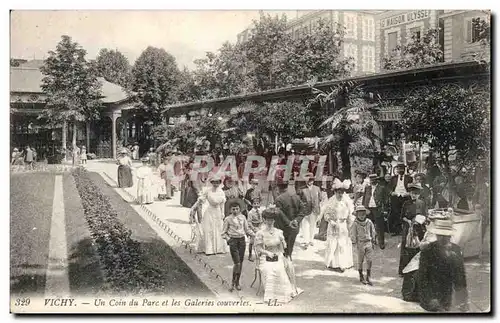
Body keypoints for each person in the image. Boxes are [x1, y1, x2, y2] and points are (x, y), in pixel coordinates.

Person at [419, 219, 469, 312]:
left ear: (450, 235)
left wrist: (463, 300)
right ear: (436, 235)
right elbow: (422, 278)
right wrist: (430, 299)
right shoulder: (427, 251)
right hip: (431, 297)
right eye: (440, 235)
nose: (442, 238)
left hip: (447, 296)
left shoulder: (456, 250)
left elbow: (460, 277)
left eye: (445, 235)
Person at [254, 207, 300, 304]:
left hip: (277, 255)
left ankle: (280, 294)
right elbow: (258, 249)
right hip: (265, 257)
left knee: (279, 269)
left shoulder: (279, 232)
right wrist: (267, 253)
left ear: (274, 220)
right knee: (269, 269)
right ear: (264, 220)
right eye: (268, 219)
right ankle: (271, 295)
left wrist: (282, 244)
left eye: (272, 219)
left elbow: (282, 249)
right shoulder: (260, 233)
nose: (270, 222)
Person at [190, 175, 228, 255]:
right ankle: (209, 249)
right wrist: (194, 207)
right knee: (208, 229)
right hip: (210, 211)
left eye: (217, 182)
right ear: (212, 183)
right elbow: (201, 200)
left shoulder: (221, 192)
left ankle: (219, 249)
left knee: (218, 229)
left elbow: (222, 204)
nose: (216, 184)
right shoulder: (208, 191)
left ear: (219, 183)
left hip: (217, 211)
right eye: (214, 182)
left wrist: (223, 212)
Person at [222, 202, 255, 292]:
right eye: (233, 209)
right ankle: (232, 283)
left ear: (240, 209)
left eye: (237, 209)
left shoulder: (243, 218)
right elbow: (223, 233)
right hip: (233, 241)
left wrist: (254, 235)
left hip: (242, 241)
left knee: (240, 263)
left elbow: (246, 229)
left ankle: (237, 282)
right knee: (237, 263)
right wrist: (229, 240)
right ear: (230, 210)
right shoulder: (228, 219)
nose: (235, 210)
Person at [323, 178, 355, 272]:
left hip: (343, 225)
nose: (340, 194)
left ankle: (344, 263)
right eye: (338, 192)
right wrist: (330, 221)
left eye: (342, 192)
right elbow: (326, 214)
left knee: (343, 243)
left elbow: (350, 214)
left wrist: (351, 225)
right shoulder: (331, 201)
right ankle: (334, 263)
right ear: (335, 192)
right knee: (334, 243)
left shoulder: (346, 201)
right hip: (333, 225)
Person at [398, 183, 427, 276]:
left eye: (415, 193)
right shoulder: (406, 203)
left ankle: (417, 270)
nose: (413, 195)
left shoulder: (422, 203)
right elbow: (402, 217)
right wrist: (408, 221)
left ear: (419, 194)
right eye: (411, 193)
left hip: (418, 229)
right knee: (406, 248)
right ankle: (403, 270)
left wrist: (420, 220)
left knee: (418, 248)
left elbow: (425, 216)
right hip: (408, 229)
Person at [274, 179, 305, 259]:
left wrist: (288, 222)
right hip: (294, 228)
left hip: (283, 228)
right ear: (287, 187)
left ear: (278, 187)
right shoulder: (296, 197)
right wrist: (296, 220)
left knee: (282, 250)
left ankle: (285, 266)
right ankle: (289, 262)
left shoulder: (278, 199)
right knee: (290, 248)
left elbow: (279, 214)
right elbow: (303, 210)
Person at [351, 205, 376, 285]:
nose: (362, 216)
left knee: (369, 260)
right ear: (357, 215)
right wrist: (354, 242)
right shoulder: (355, 223)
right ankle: (361, 275)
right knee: (360, 260)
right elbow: (353, 234)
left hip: (368, 242)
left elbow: (373, 231)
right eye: (360, 214)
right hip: (360, 243)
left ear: (365, 214)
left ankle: (368, 275)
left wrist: (374, 240)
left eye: (363, 214)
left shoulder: (369, 222)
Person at [363, 174, 387, 249]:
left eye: (374, 179)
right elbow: (364, 198)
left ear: (377, 180)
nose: (372, 181)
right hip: (368, 209)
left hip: (378, 209)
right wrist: (364, 207)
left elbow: (385, 200)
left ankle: (381, 243)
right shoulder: (367, 188)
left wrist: (385, 210)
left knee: (380, 227)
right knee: (368, 226)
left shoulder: (381, 188)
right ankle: (370, 242)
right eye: (371, 179)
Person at [298, 173, 322, 249]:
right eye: (308, 180)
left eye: (311, 180)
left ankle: (311, 240)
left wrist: (316, 205)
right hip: (305, 210)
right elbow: (298, 200)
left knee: (313, 225)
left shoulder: (317, 188)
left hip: (314, 209)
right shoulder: (302, 189)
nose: (310, 181)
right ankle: (306, 241)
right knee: (305, 225)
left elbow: (320, 198)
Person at [389, 162, 413, 235]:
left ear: (404, 169)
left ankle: (406, 230)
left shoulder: (409, 178)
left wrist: (409, 193)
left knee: (406, 213)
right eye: (399, 168)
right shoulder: (394, 178)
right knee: (396, 213)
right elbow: (389, 188)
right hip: (396, 197)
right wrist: (391, 192)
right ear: (397, 170)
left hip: (405, 197)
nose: (400, 170)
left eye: (402, 168)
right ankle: (397, 230)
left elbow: (412, 188)